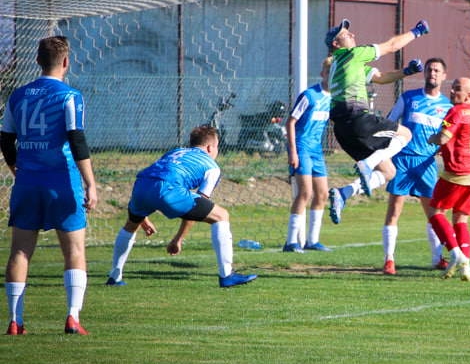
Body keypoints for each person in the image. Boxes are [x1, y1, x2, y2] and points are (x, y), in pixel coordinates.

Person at [2, 35, 98, 335]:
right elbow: (76, 139)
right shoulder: (70, 95)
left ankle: (15, 320)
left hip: (27, 182)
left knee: (19, 251)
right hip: (62, 181)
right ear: (66, 62)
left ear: (37, 60)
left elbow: (5, 139)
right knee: (74, 252)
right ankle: (72, 317)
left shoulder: (17, 96)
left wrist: (17, 168)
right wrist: (91, 184)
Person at [106, 125, 257, 288]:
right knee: (221, 216)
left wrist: (143, 216)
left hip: (141, 185)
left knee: (131, 225)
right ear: (209, 147)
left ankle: (114, 276)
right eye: (217, 147)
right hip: (167, 189)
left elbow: (154, 177)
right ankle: (227, 275)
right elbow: (198, 205)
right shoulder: (212, 166)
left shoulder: (175, 152)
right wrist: (178, 238)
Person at [324, 18, 429, 218]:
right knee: (406, 134)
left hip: (342, 131)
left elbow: (380, 77)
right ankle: (369, 163)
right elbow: (392, 45)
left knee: (389, 172)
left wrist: (406, 72)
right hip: (357, 119)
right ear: (336, 45)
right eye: (345, 34)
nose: (352, 35)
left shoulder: (344, 63)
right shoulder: (352, 55)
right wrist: (417, 31)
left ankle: (343, 194)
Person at [378, 58, 452, 275]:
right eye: (430, 69)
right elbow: (390, 122)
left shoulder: (447, 106)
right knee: (394, 211)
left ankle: (437, 257)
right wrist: (386, 152)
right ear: (424, 73)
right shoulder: (408, 97)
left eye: (437, 70)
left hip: (426, 164)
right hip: (402, 160)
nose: (433, 73)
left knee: (434, 214)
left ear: (444, 76)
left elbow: (448, 137)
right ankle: (389, 259)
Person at [428, 77, 470, 282]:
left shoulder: (456, 111)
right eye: (452, 87)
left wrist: (433, 139)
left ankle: (455, 254)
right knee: (461, 219)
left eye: (457, 89)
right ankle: (465, 268)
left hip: (458, 172)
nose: (452, 91)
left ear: (469, 95)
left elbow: (443, 137)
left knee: (435, 212)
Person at [284, 57, 334, 253]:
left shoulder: (333, 98)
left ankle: (312, 241)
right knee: (305, 192)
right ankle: (290, 242)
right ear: (323, 74)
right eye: (329, 73)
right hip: (301, 148)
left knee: (322, 194)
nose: (332, 77)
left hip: (316, 151)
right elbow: (290, 122)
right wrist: (293, 152)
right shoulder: (309, 96)